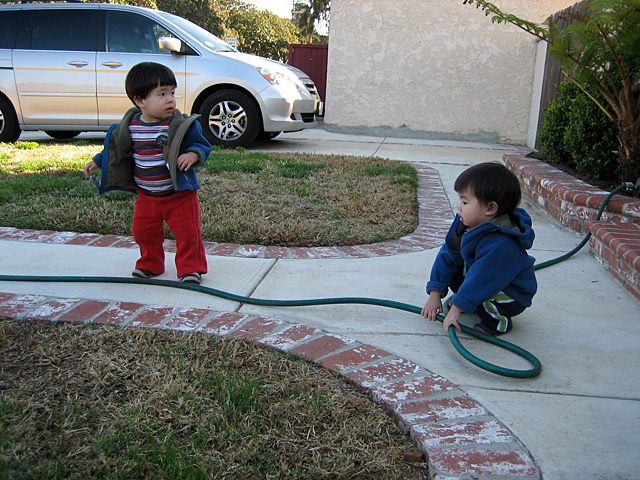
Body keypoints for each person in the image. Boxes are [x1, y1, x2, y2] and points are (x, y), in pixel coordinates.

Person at [84, 62, 211, 285]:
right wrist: (98, 161)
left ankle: (191, 268)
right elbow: (116, 150)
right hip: (147, 195)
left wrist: (193, 155)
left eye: (172, 92)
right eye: (162, 94)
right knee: (143, 232)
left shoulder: (180, 125)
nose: (170, 99)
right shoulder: (130, 126)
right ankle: (150, 263)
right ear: (140, 101)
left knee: (188, 234)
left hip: (178, 195)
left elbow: (201, 145)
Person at [421, 162, 537, 336]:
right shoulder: (466, 225)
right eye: (460, 200)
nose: (459, 206)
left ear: (490, 208)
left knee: (485, 293)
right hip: (483, 279)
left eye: (465, 202)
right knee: (455, 274)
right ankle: (473, 302)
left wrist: (457, 309)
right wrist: (435, 293)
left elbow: (483, 279)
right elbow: (448, 255)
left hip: (510, 292)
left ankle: (498, 321)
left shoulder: (501, 243)